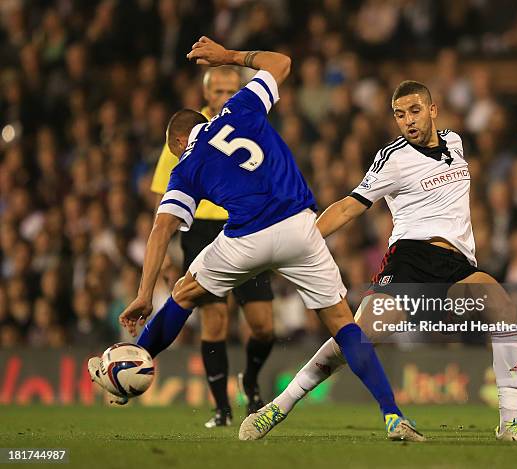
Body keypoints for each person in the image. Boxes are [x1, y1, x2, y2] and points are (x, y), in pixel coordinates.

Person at [88, 37, 423, 442]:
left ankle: (132, 363)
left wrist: (144, 294)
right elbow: (282, 61)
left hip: (248, 237)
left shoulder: (186, 166)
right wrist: (229, 56)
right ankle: (392, 415)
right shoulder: (241, 107)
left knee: (183, 293)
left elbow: (162, 229)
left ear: (177, 143)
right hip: (302, 228)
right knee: (342, 324)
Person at [241, 80, 517, 442]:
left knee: (503, 308)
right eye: (400, 115)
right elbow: (349, 206)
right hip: (411, 261)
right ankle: (279, 407)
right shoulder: (393, 158)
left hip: (459, 266)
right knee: (356, 339)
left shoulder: (456, 142)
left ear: (432, 110)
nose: (408, 121)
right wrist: (301, 239)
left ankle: (509, 424)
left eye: (415, 111)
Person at [150, 66, 275, 427]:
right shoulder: (187, 134)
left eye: (231, 91)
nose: (224, 97)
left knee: (263, 326)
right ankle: (222, 408)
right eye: (218, 91)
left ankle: (249, 379)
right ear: (206, 95)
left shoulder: (251, 126)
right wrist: (169, 255)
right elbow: (163, 198)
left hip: (248, 224)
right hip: (201, 230)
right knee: (215, 320)